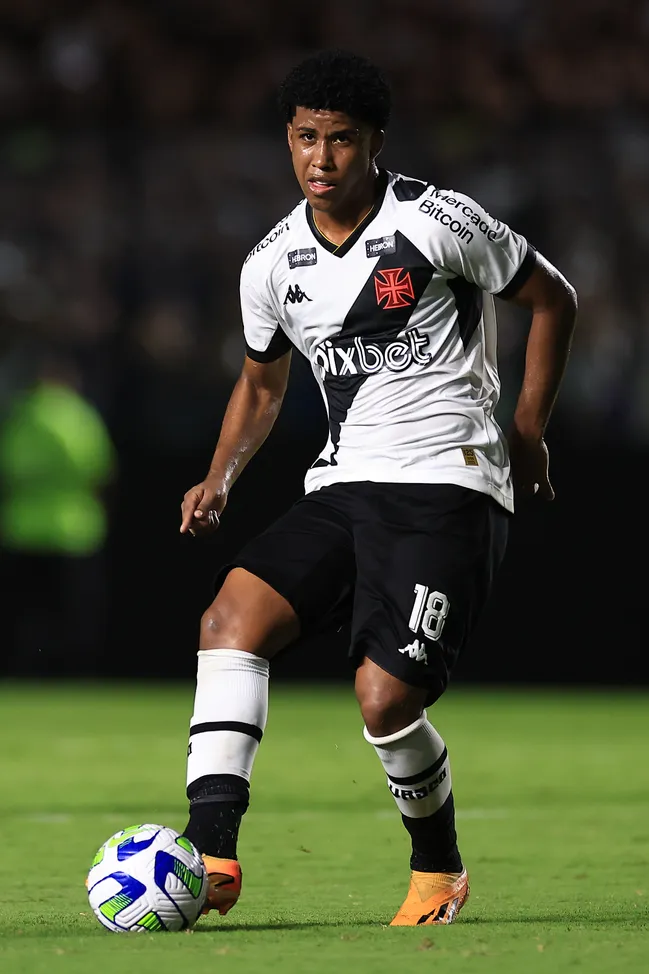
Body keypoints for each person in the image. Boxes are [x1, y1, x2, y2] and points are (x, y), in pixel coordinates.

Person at [179, 50, 577, 926]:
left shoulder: (436, 221)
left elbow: (554, 299)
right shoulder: (271, 261)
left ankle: (438, 869)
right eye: (304, 139)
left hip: (447, 482)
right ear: (287, 141)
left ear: (374, 143)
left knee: (384, 699)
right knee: (228, 623)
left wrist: (527, 431)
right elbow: (260, 384)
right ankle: (209, 854)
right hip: (343, 482)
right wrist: (220, 478)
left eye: (340, 141)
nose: (320, 160)